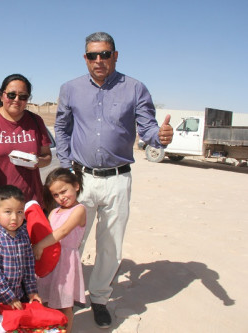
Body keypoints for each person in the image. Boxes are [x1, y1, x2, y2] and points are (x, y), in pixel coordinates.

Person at [54, 31, 174, 328]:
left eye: (105, 54)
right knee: (72, 241)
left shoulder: (135, 88)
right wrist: (66, 167)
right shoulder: (70, 89)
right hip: (80, 178)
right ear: (85, 58)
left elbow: (147, 129)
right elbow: (62, 128)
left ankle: (99, 298)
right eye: (93, 55)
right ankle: (64, 296)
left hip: (118, 180)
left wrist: (159, 138)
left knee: (111, 245)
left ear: (115, 56)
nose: (99, 60)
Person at [0, 74, 52, 229]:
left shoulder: (36, 121)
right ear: (2, 95)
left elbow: (47, 156)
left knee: (32, 252)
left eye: (23, 96)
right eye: (11, 95)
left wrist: (37, 162)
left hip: (30, 205)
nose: (17, 99)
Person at [34, 168, 87, 333]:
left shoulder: (79, 210)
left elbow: (62, 232)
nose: (61, 197)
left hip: (66, 264)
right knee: (46, 301)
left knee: (65, 306)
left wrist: (40, 245)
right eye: (55, 195)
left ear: (76, 186)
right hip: (50, 262)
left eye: (64, 191)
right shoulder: (53, 212)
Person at [0, 185, 41, 309]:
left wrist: (32, 292)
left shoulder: (23, 235)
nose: (14, 217)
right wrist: (9, 297)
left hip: (19, 297)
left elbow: (28, 267)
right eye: (8, 212)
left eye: (19, 212)